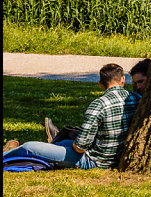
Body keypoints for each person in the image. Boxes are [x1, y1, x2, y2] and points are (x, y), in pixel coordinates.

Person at [3, 63, 140, 170]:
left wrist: (78, 143)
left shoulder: (99, 105)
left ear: (100, 84)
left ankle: (5, 155)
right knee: (60, 143)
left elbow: (80, 147)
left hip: (95, 161)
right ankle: (15, 151)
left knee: (30, 147)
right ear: (123, 79)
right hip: (117, 156)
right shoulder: (137, 99)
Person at [42, 58, 150, 144]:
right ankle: (60, 135)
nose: (138, 86)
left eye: (141, 81)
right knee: (83, 131)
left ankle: (58, 137)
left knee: (84, 134)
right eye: (135, 83)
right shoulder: (137, 96)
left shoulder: (138, 99)